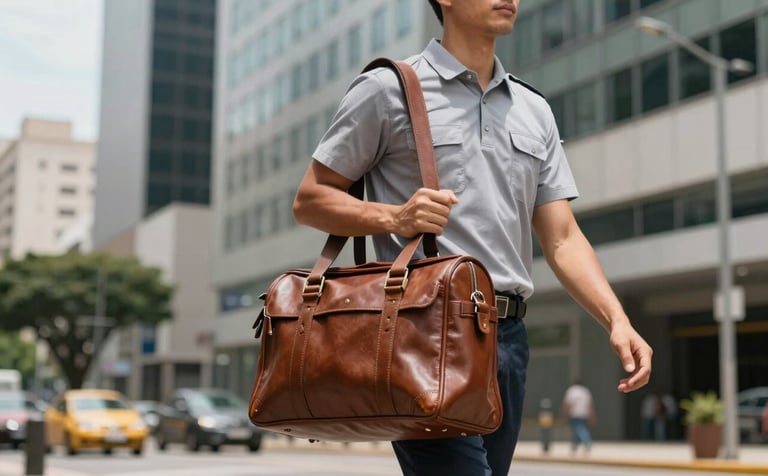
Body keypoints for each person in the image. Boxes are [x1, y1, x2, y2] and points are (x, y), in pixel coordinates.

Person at [292, 1, 653, 474]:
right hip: (423, 330)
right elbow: (311, 199)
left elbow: (562, 238)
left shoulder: (534, 110)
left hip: (508, 339)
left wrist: (616, 319)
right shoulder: (388, 89)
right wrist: (394, 217)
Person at [562, 380, 595, 454]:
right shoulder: (585, 391)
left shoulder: (571, 391)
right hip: (584, 413)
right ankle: (575, 445)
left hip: (574, 413)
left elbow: (568, 403)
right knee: (577, 429)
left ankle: (587, 441)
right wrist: (591, 414)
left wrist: (565, 413)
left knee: (579, 429)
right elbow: (590, 404)